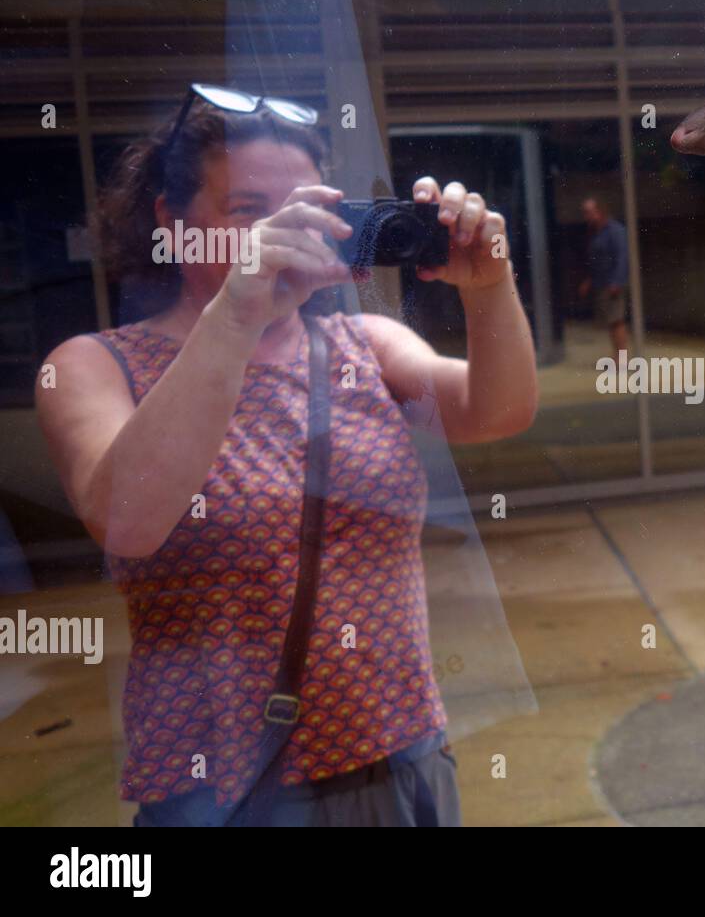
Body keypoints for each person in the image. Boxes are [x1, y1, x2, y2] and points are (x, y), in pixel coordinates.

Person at [34, 85, 538, 826]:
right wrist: (237, 311)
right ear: (173, 225)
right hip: (222, 792)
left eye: (301, 206)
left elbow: (497, 410)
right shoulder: (96, 365)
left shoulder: (363, 343)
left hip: (400, 757)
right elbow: (128, 521)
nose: (283, 231)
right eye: (248, 211)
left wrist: (490, 287)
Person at [578, 196, 630, 357]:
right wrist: (589, 280)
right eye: (584, 213)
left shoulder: (615, 231)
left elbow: (623, 256)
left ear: (600, 211)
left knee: (616, 321)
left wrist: (616, 282)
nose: (586, 216)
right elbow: (595, 260)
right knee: (611, 321)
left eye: (589, 212)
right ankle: (617, 354)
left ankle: (621, 358)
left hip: (613, 283)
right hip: (601, 283)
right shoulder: (595, 232)